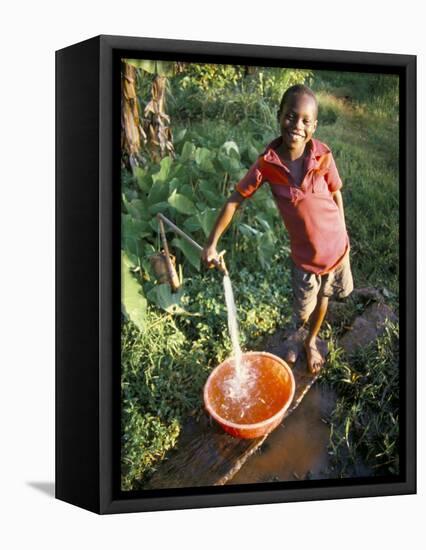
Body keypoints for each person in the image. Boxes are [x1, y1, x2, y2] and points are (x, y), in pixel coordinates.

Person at [201, 84, 353, 374]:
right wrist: (211, 243)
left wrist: (343, 230)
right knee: (303, 308)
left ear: (314, 126)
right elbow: (235, 201)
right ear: (279, 115)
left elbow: (336, 193)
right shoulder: (267, 165)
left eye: (306, 121)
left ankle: (310, 342)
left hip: (336, 250)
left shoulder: (322, 156)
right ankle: (299, 333)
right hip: (305, 258)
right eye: (291, 116)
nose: (297, 125)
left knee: (325, 298)